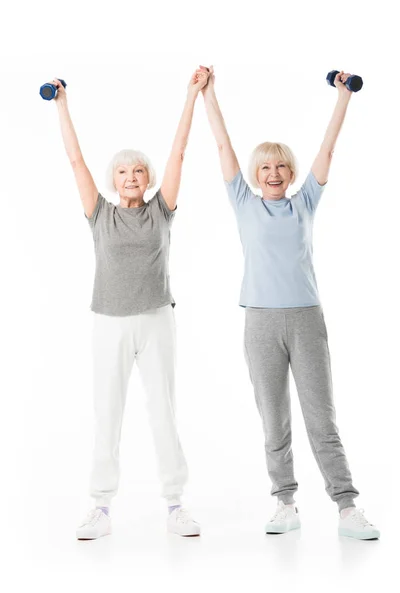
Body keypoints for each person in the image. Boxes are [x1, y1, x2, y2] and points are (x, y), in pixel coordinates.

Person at [200, 66, 380, 540]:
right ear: (256, 175)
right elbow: (223, 146)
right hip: (259, 322)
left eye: (281, 166)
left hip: (305, 319)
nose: (273, 173)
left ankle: (347, 506)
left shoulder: (305, 202)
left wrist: (343, 97)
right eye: (265, 167)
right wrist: (209, 96)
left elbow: (328, 147)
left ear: (291, 172)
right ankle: (285, 502)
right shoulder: (243, 201)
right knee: (273, 418)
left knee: (322, 417)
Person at [50, 67, 209, 540]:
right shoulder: (99, 214)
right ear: (114, 179)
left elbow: (179, 151)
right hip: (110, 322)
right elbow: (75, 160)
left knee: (163, 408)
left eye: (139, 170)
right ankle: (100, 507)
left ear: (148, 177)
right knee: (108, 410)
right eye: (123, 171)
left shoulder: (162, 209)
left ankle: (176, 503)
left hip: (157, 319)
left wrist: (191, 96)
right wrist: (61, 104)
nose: (132, 176)